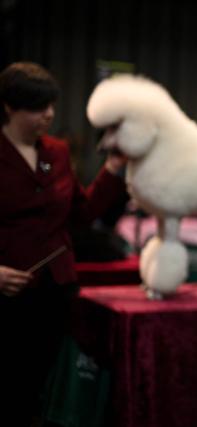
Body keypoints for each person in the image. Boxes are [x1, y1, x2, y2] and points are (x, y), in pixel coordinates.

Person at [0, 62, 127, 426]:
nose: (49, 115)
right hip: (8, 296)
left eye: (52, 105)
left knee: (44, 390)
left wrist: (113, 168)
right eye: (38, 107)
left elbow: (81, 214)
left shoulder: (56, 151)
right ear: (9, 107)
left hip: (55, 291)